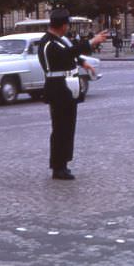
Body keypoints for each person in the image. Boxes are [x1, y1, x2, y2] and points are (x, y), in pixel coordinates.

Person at [38, 9, 108, 180]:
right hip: (58, 88)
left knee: (68, 127)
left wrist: (84, 63)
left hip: (67, 88)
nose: (68, 28)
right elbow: (66, 54)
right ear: (62, 26)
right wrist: (91, 42)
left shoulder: (59, 41)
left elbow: (72, 55)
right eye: (67, 24)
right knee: (60, 129)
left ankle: (64, 163)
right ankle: (58, 166)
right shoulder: (48, 43)